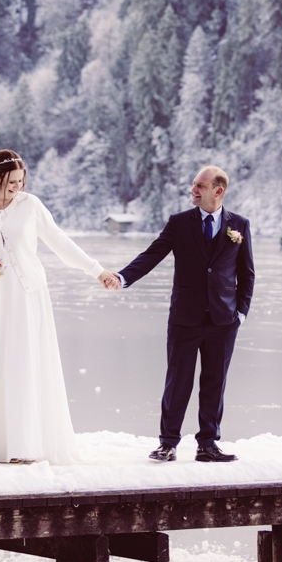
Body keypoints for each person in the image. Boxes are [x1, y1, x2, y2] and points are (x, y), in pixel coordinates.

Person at [0, 148, 110, 465]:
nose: (18, 189)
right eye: (12, 183)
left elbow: (60, 242)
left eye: (21, 182)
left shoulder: (31, 206)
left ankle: (26, 446)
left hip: (27, 297)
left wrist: (97, 270)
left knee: (24, 365)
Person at [99, 165, 254, 463]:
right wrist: (123, 277)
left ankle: (208, 444)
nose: (193, 190)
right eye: (193, 184)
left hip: (223, 320)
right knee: (177, 382)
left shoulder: (240, 225)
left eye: (200, 186)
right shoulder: (179, 223)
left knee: (215, 383)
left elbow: (247, 274)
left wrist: (241, 313)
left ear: (218, 191)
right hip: (185, 318)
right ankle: (168, 443)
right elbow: (152, 254)